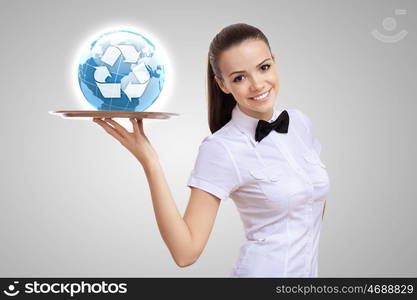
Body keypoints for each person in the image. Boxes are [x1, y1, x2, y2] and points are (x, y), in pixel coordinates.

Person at [93, 23, 330, 277]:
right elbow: (185, 253)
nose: (257, 84)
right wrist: (150, 163)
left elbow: (310, 204)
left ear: (275, 62)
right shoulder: (222, 148)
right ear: (223, 84)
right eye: (239, 77)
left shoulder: (300, 124)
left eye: (263, 67)